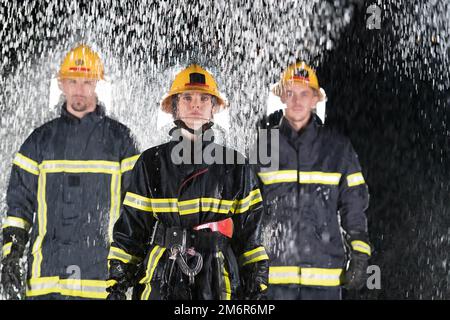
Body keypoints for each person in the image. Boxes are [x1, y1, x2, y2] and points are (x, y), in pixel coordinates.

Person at [106, 64, 269, 300]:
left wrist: (257, 286)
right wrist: (117, 284)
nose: (195, 105)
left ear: (214, 108)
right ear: (174, 108)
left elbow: (251, 236)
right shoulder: (151, 162)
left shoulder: (236, 165)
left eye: (204, 98)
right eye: (187, 98)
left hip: (218, 279)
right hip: (162, 275)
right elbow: (132, 228)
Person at [0, 44, 139, 300]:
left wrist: (129, 268)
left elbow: (136, 211)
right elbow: (18, 208)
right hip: (46, 282)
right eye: (72, 81)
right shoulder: (39, 141)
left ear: (98, 84)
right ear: (61, 84)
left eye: (87, 82)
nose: (79, 89)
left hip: (102, 283)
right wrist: (11, 254)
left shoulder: (121, 141)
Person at [256, 62, 371, 300]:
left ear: (315, 99)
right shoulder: (262, 148)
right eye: (290, 93)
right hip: (274, 280)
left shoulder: (338, 148)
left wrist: (359, 254)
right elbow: (248, 210)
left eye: (304, 93)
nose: (297, 101)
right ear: (282, 98)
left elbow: (354, 205)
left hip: (324, 280)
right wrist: (249, 262)